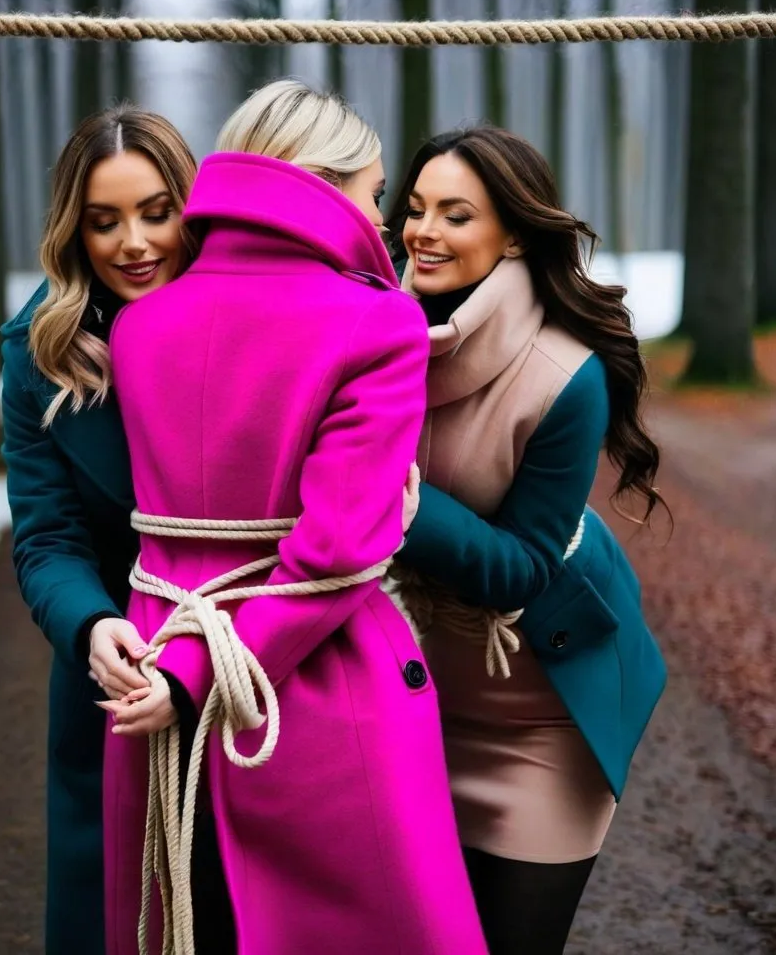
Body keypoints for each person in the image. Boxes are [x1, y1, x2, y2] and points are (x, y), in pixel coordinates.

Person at [100, 80, 487, 954]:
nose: (385, 222)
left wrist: (184, 664)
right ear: (323, 187)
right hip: (310, 689)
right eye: (376, 191)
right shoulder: (379, 322)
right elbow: (339, 548)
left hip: (157, 659)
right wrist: (205, 674)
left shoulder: (138, 326)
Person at [385, 125, 668, 955]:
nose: (424, 231)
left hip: (538, 718)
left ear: (512, 233)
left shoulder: (564, 374)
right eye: (415, 209)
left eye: (455, 214)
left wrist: (400, 506)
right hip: (414, 700)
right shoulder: (372, 336)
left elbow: (522, 568)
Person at [0, 104, 197, 955]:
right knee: (106, 911)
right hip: (114, 666)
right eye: (104, 221)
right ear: (73, 230)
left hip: (253, 657)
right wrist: (89, 623)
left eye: (157, 212)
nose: (133, 243)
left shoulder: (262, 320)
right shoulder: (38, 347)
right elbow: (46, 534)